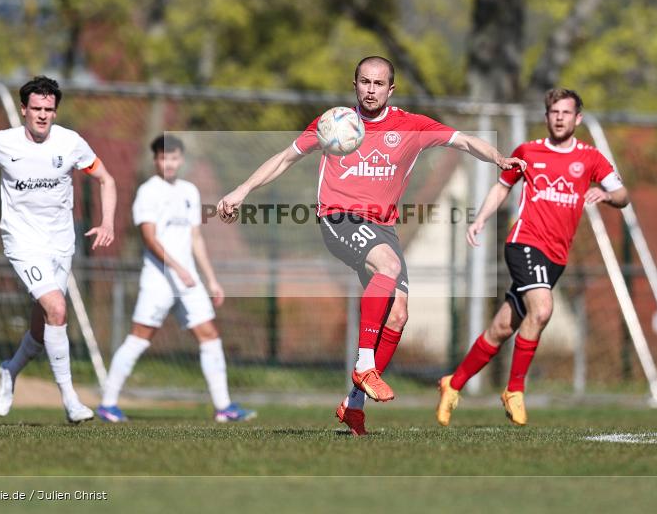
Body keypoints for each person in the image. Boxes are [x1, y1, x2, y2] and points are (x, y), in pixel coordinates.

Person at [218, 56, 525, 435]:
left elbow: (462, 141)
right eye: (364, 82)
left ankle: (354, 404)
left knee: (398, 315)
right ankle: (365, 365)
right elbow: (285, 158)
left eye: (378, 84)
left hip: (383, 228)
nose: (370, 89)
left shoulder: (411, 126)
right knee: (389, 267)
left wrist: (497, 157)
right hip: (338, 218)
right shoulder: (333, 123)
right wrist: (241, 190)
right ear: (355, 84)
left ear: (391, 89)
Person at [436, 88, 630, 427]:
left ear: (577, 119)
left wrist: (609, 195)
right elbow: (502, 186)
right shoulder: (528, 151)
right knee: (542, 309)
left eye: (566, 113)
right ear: (546, 117)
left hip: (556, 256)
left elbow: (623, 194)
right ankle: (514, 390)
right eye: (554, 112)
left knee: (501, 327)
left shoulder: (591, 158)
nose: (559, 118)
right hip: (524, 242)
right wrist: (480, 219)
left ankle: (453, 384)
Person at [0, 75, 116, 423]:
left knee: (44, 324)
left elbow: (106, 179)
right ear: (23, 109)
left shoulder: (71, 143)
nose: (43, 115)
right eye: (36, 108)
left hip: (60, 244)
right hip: (21, 241)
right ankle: (70, 400)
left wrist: (108, 222)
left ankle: (10, 369)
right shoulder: (2, 144)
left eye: (49, 109)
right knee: (57, 308)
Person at [96, 135, 256, 423]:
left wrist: (211, 279)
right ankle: (108, 403)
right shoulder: (148, 191)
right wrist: (177, 268)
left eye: (173, 158)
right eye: (163, 158)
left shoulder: (189, 191)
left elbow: (195, 238)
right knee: (140, 338)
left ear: (180, 160)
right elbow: (149, 237)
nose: (169, 163)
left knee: (209, 335)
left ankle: (224, 407)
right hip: (158, 280)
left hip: (190, 281)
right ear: (156, 160)